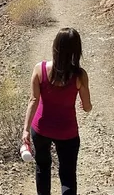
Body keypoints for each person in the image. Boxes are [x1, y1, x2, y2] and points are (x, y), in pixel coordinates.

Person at [22, 27, 92, 195]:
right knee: (67, 175)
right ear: (77, 50)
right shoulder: (80, 75)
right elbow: (88, 106)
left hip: (41, 129)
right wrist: (85, 106)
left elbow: (33, 100)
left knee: (42, 168)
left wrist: (25, 130)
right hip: (67, 132)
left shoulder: (40, 69)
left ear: (55, 47)